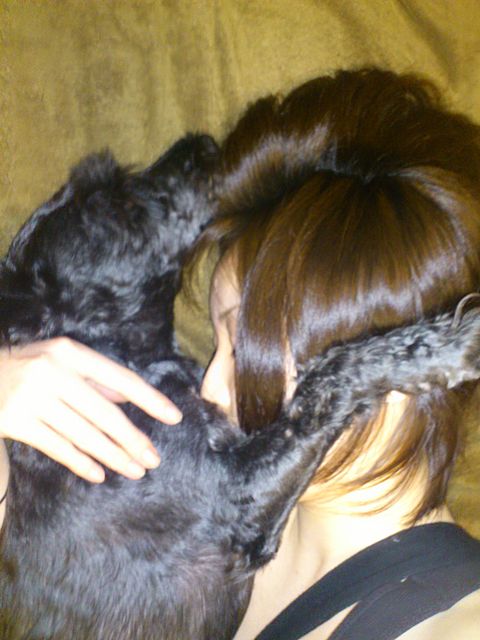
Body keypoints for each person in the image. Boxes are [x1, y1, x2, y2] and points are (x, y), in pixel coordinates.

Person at [1, 68, 480, 639]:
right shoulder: (163, 512)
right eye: (219, 342)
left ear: (402, 365)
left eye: (245, 350)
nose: (208, 387)